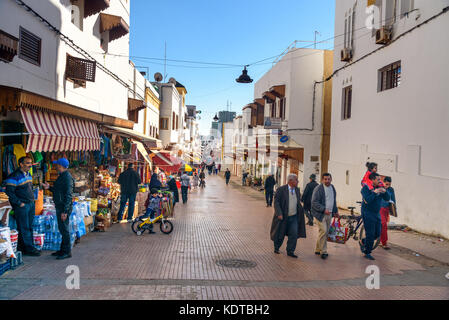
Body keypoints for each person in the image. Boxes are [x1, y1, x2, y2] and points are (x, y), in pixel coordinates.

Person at [5, 156, 41, 256]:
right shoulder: (14, 176)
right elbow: (9, 193)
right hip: (22, 206)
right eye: (28, 163)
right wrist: (19, 203)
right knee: (24, 227)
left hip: (30, 204)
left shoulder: (28, 174)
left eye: (30, 163)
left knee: (29, 226)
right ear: (21, 164)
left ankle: (24, 247)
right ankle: (30, 249)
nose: (30, 165)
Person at [42, 158, 74, 260]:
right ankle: (62, 250)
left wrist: (65, 211)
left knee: (64, 229)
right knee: (62, 228)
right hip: (60, 205)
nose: (56, 167)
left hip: (63, 207)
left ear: (61, 166)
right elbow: (58, 190)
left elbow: (68, 195)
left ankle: (67, 252)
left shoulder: (67, 178)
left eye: (57, 165)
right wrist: (49, 188)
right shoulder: (62, 176)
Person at [270, 174, 306, 258]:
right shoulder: (281, 190)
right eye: (296, 180)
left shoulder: (297, 190)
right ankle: (276, 247)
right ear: (290, 181)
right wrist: (279, 213)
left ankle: (290, 251)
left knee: (294, 234)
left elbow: (297, 202)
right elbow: (276, 202)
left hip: (293, 217)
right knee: (280, 233)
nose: (298, 181)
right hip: (283, 216)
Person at [361, 173, 390, 260]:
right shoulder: (366, 188)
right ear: (372, 180)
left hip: (377, 213)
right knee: (370, 233)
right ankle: (367, 252)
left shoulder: (380, 187)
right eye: (378, 179)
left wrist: (385, 192)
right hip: (367, 212)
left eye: (380, 179)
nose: (380, 181)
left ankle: (364, 241)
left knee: (377, 233)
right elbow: (367, 200)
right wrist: (374, 192)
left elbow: (387, 198)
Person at [311, 173, 339, 260]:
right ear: (322, 180)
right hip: (320, 214)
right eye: (325, 179)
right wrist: (323, 209)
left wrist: (335, 211)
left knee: (324, 232)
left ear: (331, 179)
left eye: (328, 179)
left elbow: (333, 201)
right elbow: (314, 202)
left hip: (329, 214)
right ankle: (324, 251)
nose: (327, 181)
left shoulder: (332, 188)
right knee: (324, 230)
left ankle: (317, 249)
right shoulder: (318, 189)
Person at [380, 176, 396, 250]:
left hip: (386, 209)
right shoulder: (380, 188)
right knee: (383, 225)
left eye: (389, 184)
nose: (387, 186)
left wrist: (393, 210)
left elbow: (393, 200)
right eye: (386, 184)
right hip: (379, 208)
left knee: (383, 225)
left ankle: (381, 240)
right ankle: (384, 243)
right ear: (383, 182)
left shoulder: (391, 190)